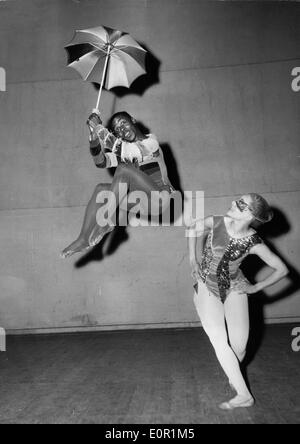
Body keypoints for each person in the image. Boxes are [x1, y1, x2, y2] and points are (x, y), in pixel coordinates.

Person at [188, 193, 288, 410]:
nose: (233, 203)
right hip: (206, 284)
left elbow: (282, 269)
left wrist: (255, 287)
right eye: (237, 200)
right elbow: (192, 228)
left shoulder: (254, 241)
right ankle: (244, 395)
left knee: (239, 346)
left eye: (241, 204)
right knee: (218, 338)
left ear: (250, 215)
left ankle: (234, 377)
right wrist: (192, 259)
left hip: (235, 286)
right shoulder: (216, 222)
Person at [61, 110, 176, 258]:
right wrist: (93, 137)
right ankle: (83, 239)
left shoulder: (151, 142)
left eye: (123, 123)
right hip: (142, 202)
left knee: (123, 168)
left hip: (160, 198)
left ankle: (106, 219)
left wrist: (99, 128)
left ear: (132, 120)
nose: (122, 130)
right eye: (117, 130)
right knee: (100, 189)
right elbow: (101, 162)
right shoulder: (125, 154)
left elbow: (125, 149)